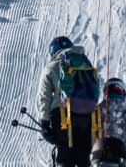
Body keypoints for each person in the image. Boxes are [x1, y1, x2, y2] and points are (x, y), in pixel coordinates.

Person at [37, 35, 105, 166]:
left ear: (53, 51)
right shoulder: (85, 63)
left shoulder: (51, 67)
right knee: (84, 156)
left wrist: (44, 123)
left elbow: (44, 96)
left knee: (65, 155)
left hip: (63, 115)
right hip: (87, 114)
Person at [91, 77, 126, 164]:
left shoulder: (99, 108)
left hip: (100, 151)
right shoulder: (125, 108)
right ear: (122, 91)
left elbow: (91, 127)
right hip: (120, 153)